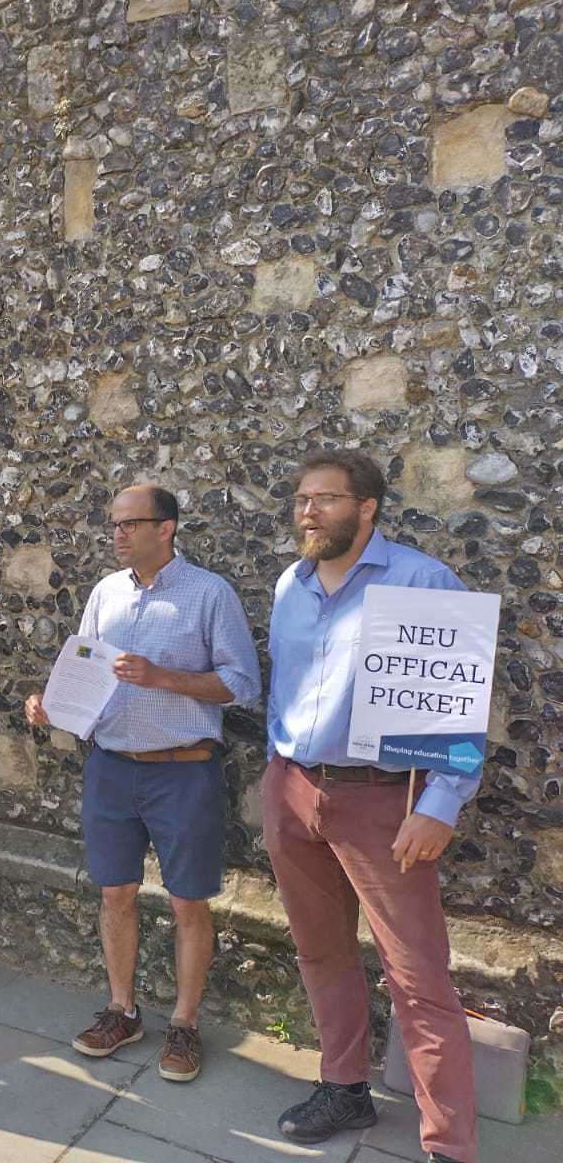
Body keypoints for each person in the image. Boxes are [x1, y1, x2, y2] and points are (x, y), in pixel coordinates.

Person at [263, 450, 478, 1163]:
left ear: (367, 508)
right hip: (295, 790)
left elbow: (457, 707)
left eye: (325, 498)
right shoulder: (291, 585)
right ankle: (345, 1087)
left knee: (418, 977)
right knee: (321, 951)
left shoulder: (421, 581)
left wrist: (440, 801)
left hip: (385, 803)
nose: (308, 511)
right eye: (301, 499)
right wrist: (279, 775)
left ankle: (448, 1145)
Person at [24, 486, 259, 1083]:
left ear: (168, 528)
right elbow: (83, 671)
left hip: (184, 769)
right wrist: (53, 705)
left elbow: (243, 684)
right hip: (111, 766)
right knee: (114, 894)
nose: (118, 534)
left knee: (187, 902)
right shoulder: (106, 592)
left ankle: (184, 1024)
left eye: (131, 524)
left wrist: (162, 677)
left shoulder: (210, 594)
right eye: (114, 525)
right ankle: (121, 1009)